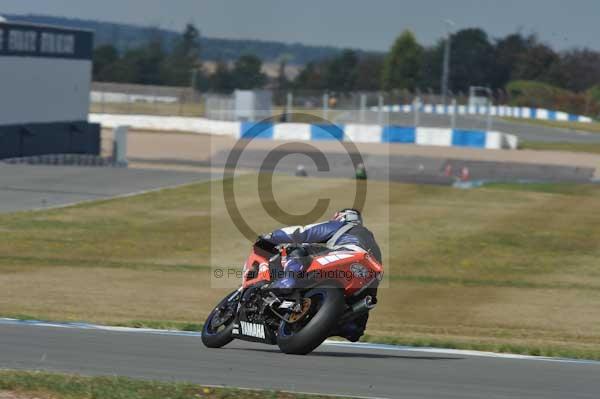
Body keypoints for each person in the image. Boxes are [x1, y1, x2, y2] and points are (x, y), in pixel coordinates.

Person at [260, 208, 381, 342]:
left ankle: (288, 281)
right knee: (355, 328)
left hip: (346, 255)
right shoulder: (373, 243)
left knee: (296, 248)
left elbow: (303, 232)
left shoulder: (343, 226)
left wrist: (271, 237)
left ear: (341, 217)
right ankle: (351, 326)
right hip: (367, 276)